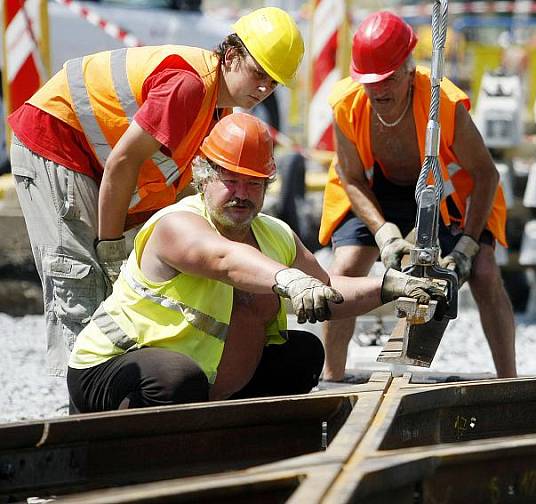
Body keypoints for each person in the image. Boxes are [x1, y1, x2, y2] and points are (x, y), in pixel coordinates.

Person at [67, 113, 444, 412]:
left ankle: (228, 428)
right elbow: (223, 259)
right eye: (231, 180)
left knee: (303, 355)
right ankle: (142, 452)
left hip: (206, 376)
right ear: (204, 177)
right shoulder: (177, 224)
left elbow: (327, 290)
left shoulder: (274, 234)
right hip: (113, 366)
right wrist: (290, 280)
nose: (242, 195)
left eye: (254, 184)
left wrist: (390, 286)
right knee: (176, 380)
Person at [8, 7, 305, 378]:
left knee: (126, 287)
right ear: (231, 55)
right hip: (54, 140)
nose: (264, 89)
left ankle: (119, 398)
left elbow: (170, 189)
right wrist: (112, 247)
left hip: (90, 156)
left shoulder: (217, 111)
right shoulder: (189, 86)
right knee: (78, 277)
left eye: (273, 82)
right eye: (259, 73)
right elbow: (122, 164)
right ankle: (82, 410)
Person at [319, 11, 517, 381]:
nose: (379, 91)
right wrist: (384, 233)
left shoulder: (444, 103)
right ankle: (331, 378)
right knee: (345, 267)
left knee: (486, 273)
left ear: (409, 70)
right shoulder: (346, 104)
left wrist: (467, 247)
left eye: (388, 79)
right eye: (369, 82)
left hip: (445, 191)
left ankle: (509, 379)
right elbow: (349, 176)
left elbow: (486, 175)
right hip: (376, 189)